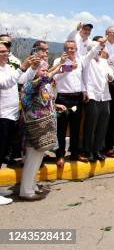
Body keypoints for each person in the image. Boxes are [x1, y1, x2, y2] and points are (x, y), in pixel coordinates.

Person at [0, 43, 38, 205]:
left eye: (6, 51)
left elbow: (21, 79)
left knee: (3, 154)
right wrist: (22, 67)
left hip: (12, 115)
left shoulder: (9, 67)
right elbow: (5, 84)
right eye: (1, 51)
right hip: (1, 116)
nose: (5, 54)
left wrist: (32, 68)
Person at [19, 61, 62, 201]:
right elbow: (44, 80)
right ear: (35, 71)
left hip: (43, 129)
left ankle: (32, 186)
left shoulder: (42, 87)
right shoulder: (30, 84)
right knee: (32, 160)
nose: (45, 72)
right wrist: (57, 67)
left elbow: (46, 100)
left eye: (46, 70)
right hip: (34, 129)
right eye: (42, 70)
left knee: (37, 159)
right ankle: (26, 191)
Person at [53, 40, 86, 166]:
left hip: (77, 98)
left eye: (74, 48)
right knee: (61, 129)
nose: (72, 51)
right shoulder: (58, 61)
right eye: (69, 48)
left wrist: (84, 91)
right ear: (65, 49)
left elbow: (81, 79)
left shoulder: (79, 61)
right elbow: (55, 78)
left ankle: (75, 153)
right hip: (63, 98)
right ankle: (60, 155)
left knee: (76, 128)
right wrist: (68, 67)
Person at [81, 36, 114, 162]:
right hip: (92, 96)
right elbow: (93, 52)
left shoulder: (104, 62)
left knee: (102, 124)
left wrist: (110, 77)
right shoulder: (86, 60)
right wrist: (100, 44)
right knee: (91, 124)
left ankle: (97, 149)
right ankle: (87, 150)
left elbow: (110, 74)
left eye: (101, 49)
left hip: (104, 96)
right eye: (98, 49)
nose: (100, 51)